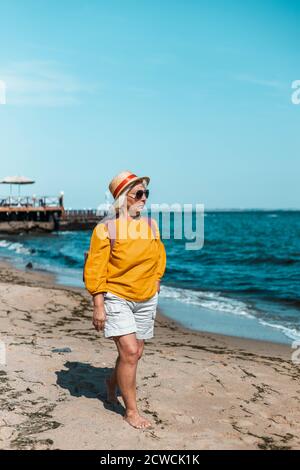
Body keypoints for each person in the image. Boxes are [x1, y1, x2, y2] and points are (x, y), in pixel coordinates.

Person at [84, 170, 167, 429]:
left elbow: (158, 255)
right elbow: (96, 268)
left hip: (146, 297)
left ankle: (112, 383)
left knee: (136, 352)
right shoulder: (105, 229)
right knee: (130, 352)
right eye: (139, 194)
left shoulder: (151, 225)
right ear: (123, 198)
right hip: (117, 297)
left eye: (146, 193)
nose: (144, 198)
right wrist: (99, 306)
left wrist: (156, 280)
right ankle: (131, 411)